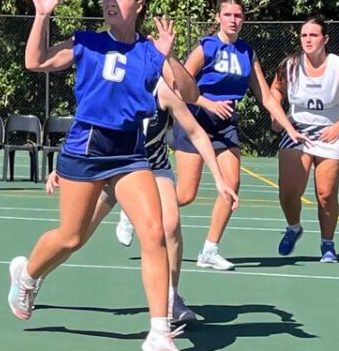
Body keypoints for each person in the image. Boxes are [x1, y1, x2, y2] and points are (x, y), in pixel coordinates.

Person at [6, 0, 197, 351]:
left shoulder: (150, 51)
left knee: (154, 232)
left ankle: (159, 332)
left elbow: (190, 94)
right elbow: (35, 61)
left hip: (129, 153)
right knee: (71, 237)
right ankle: (26, 276)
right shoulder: (87, 42)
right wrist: (42, 16)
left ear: (138, 6)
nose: (109, 2)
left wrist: (170, 56)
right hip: (86, 149)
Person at [71, 76, 240, 327]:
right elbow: (85, 128)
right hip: (114, 168)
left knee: (170, 225)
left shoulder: (163, 91)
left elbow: (196, 132)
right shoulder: (112, 85)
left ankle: (172, 298)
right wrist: (63, 169)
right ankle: (31, 274)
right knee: (75, 236)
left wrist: (219, 179)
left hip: (154, 166)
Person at [172, 0, 296, 272]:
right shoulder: (206, 47)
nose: (233, 20)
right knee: (186, 194)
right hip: (195, 121)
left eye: (238, 15)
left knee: (231, 184)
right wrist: (208, 103)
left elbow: (266, 96)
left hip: (225, 125)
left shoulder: (246, 53)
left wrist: (289, 127)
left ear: (244, 19)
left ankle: (209, 250)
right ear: (218, 17)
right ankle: (135, 210)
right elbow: (180, 86)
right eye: (227, 14)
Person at [271, 16, 339, 263]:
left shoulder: (337, 66)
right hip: (297, 130)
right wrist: (277, 115)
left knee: (325, 194)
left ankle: (328, 244)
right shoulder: (290, 65)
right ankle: (293, 228)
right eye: (304, 35)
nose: (308, 40)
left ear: (325, 39)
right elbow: (275, 90)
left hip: (329, 132)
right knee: (289, 192)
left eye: (313, 35)